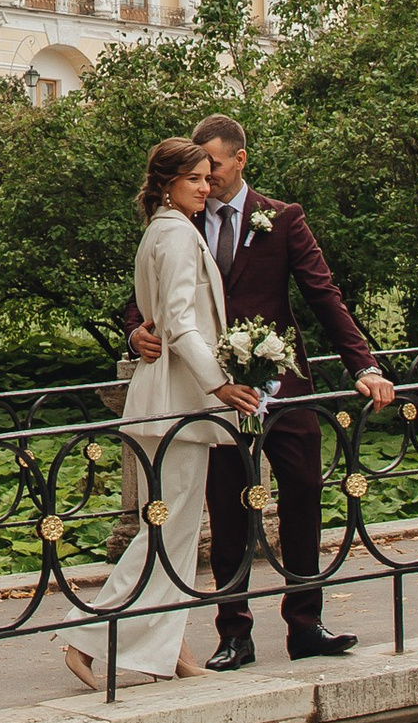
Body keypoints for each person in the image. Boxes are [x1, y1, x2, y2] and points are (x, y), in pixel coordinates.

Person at [125, 111, 396, 663]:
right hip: (213, 390)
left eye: (216, 167)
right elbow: (149, 293)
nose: (208, 179)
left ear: (240, 160)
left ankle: (306, 625)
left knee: (303, 496)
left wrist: (364, 366)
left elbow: (324, 294)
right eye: (199, 171)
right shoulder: (182, 216)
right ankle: (234, 633)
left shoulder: (282, 217)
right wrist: (135, 332)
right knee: (226, 508)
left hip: (283, 381)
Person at [66, 136, 228, 692]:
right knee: (168, 532)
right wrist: (222, 384)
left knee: (175, 533)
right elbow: (179, 321)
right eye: (195, 180)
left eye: (209, 178)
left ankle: (169, 647)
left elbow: (162, 318)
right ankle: (87, 634)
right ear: (166, 185)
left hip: (163, 396)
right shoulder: (178, 235)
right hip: (176, 400)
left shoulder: (159, 231)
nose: (206, 189)